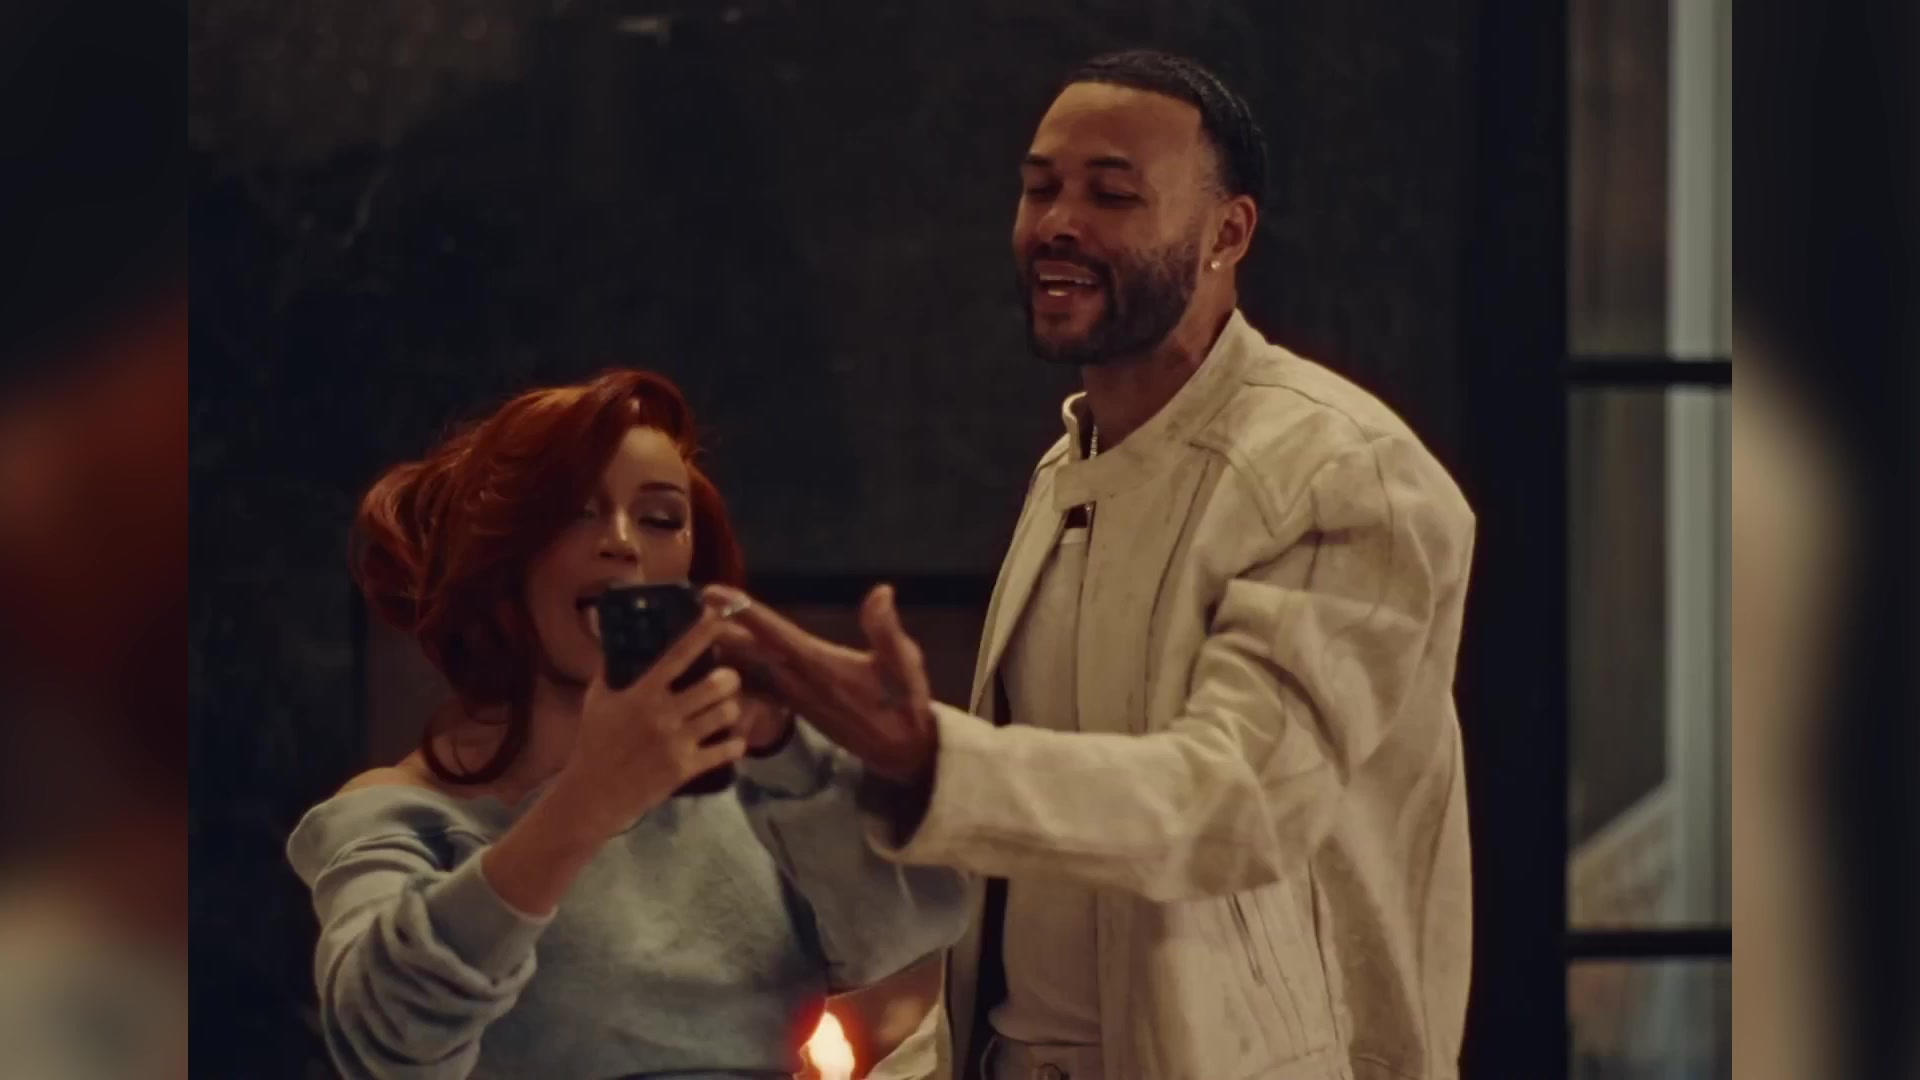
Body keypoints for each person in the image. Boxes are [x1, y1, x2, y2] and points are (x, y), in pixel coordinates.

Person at [713, 50, 1477, 1080]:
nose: (1057, 224)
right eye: (1040, 189)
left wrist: (931, 758)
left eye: (1111, 194)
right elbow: (1036, 936)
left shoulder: (1344, 471)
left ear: (1228, 234)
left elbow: (1237, 803)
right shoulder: (1067, 466)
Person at [284, 369, 970, 1079]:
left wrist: (798, 752)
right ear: (501, 557)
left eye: (660, 518)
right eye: (576, 512)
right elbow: (383, 1038)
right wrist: (587, 801)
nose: (621, 542)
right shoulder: (402, 812)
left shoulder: (754, 782)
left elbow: (907, 933)